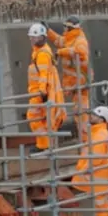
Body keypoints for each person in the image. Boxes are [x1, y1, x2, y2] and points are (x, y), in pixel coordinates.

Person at [47, 15, 92, 141]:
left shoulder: (80, 40)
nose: (64, 30)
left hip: (80, 82)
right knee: (78, 111)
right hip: (73, 82)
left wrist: (61, 52)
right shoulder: (70, 38)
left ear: (70, 28)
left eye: (65, 27)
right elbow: (59, 41)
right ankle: (83, 137)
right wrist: (48, 31)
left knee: (81, 111)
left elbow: (80, 52)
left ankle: (85, 139)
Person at [26, 23, 67, 153]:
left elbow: (43, 75)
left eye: (35, 37)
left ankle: (44, 145)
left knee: (34, 117)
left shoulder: (42, 54)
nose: (33, 40)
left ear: (42, 38)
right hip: (38, 91)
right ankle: (46, 144)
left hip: (39, 93)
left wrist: (42, 91)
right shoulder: (40, 51)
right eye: (32, 37)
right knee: (44, 118)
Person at [73, 105, 108, 216]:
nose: (91, 116)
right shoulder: (97, 132)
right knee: (102, 207)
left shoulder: (100, 134)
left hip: (97, 177)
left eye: (95, 115)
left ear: (102, 119)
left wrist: (86, 168)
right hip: (98, 177)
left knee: (101, 208)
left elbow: (96, 156)